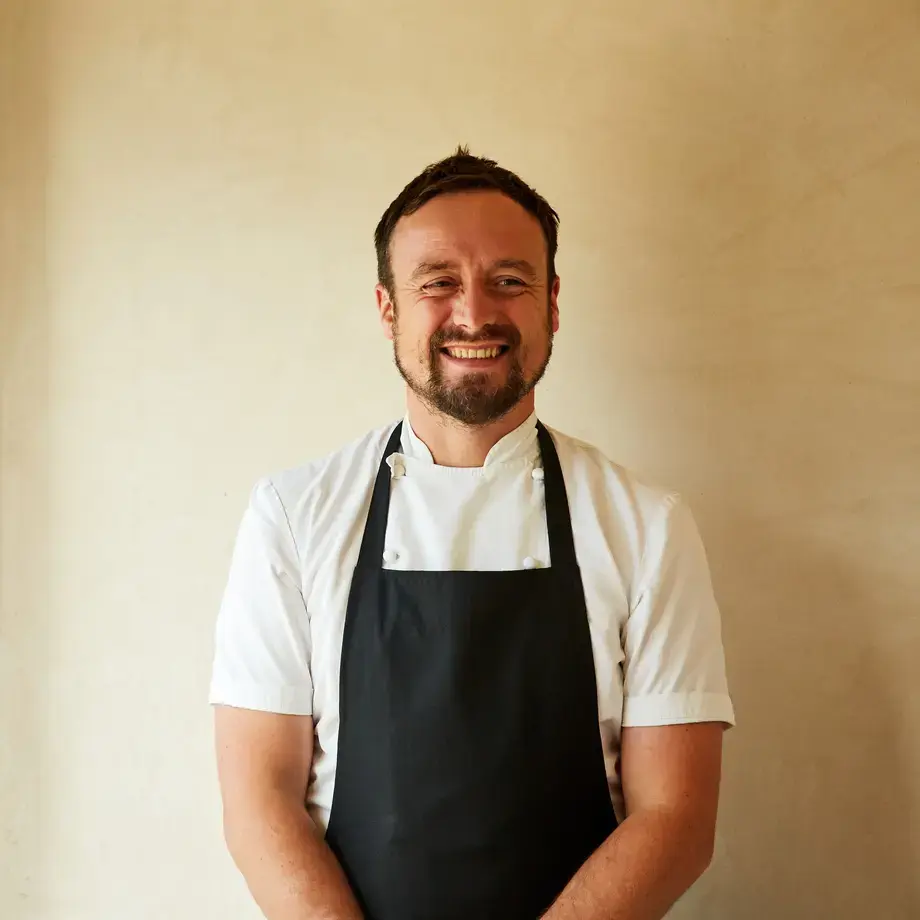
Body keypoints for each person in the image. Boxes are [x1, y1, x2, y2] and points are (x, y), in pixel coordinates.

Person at [210, 147, 735, 920]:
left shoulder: (648, 528)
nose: (474, 313)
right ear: (388, 308)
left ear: (552, 304)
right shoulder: (292, 517)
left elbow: (677, 820)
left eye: (509, 281)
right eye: (438, 283)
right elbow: (259, 804)